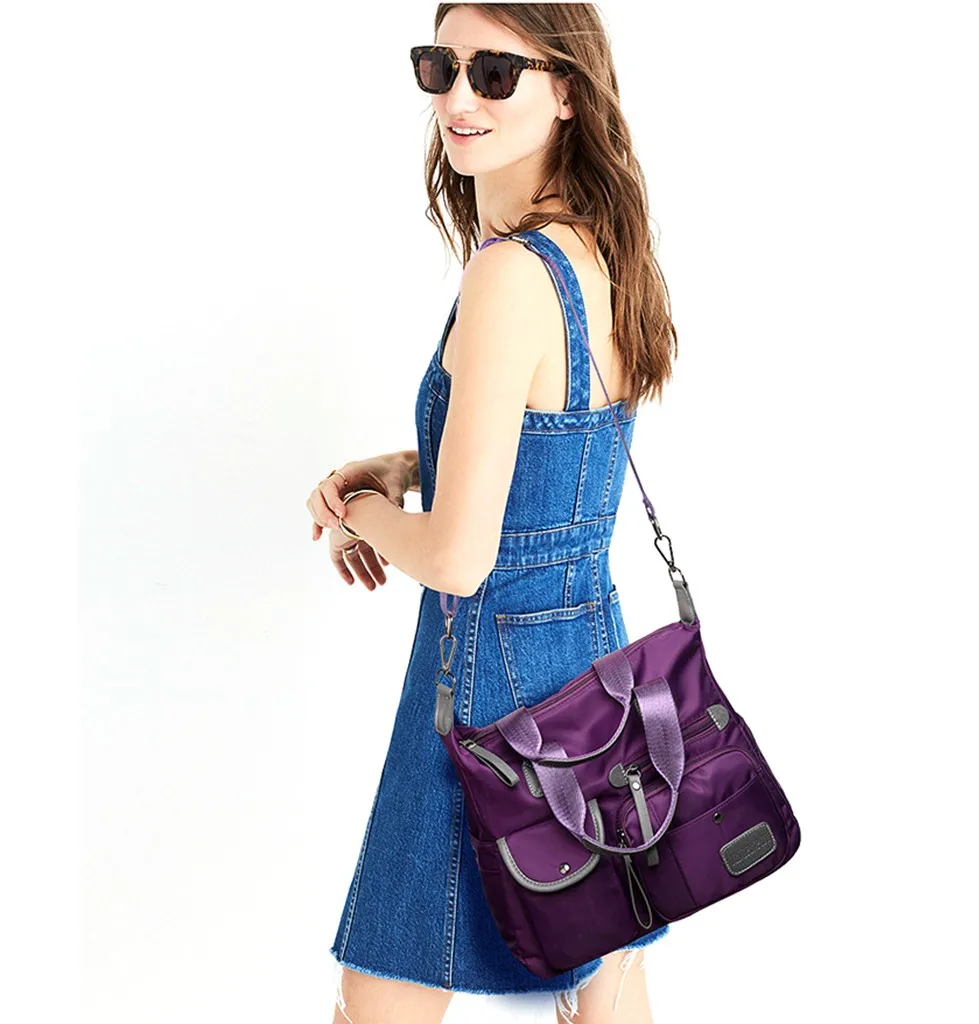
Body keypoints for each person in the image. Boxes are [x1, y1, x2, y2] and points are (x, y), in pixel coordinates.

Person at [305, 5, 679, 1022]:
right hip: (591, 668)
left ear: (567, 91)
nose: (459, 97)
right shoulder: (596, 251)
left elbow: (460, 558)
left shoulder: (509, 274)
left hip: (477, 688)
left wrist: (360, 510)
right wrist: (406, 466)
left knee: (383, 990)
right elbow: (556, 453)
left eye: (495, 73)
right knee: (605, 985)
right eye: (441, 66)